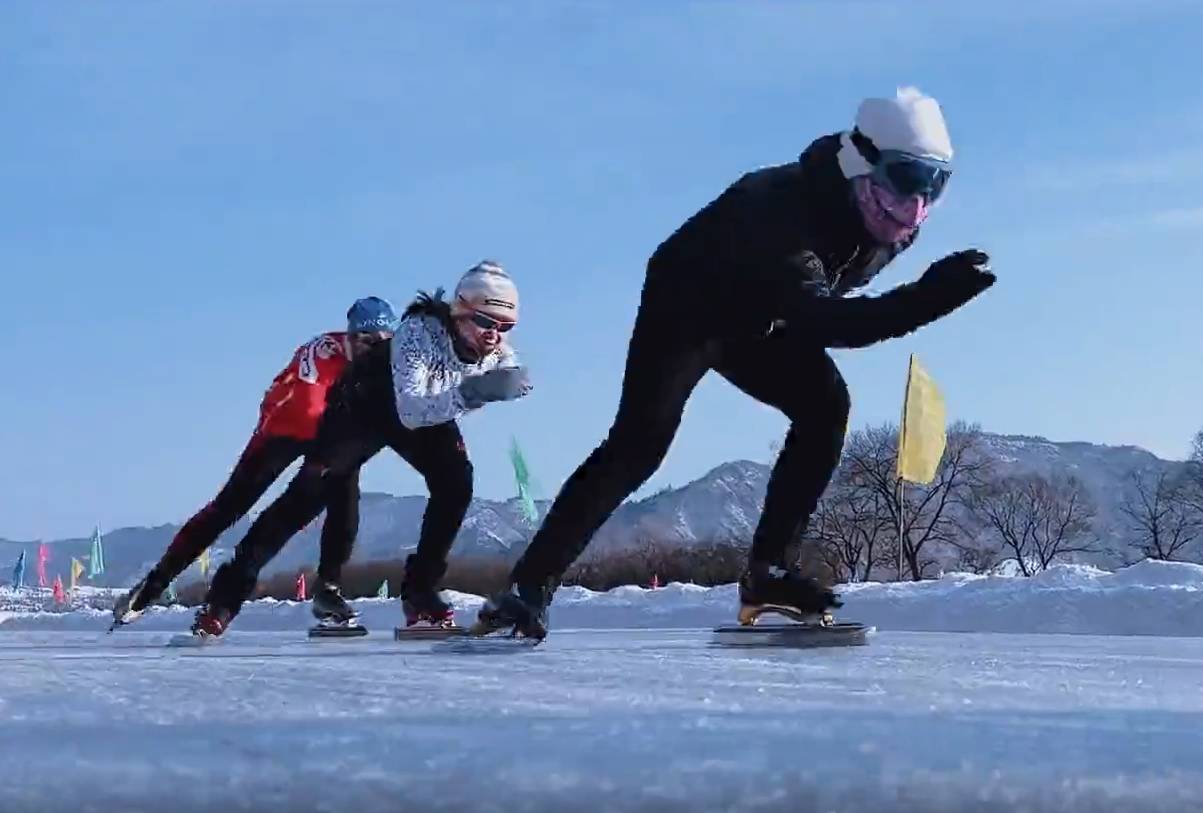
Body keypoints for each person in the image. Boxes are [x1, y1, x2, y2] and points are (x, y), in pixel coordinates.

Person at [475, 87, 996, 641]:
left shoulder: (891, 221)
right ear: (860, 163)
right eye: (905, 178)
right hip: (687, 304)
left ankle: (769, 572)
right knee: (637, 448)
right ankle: (527, 588)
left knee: (825, 408)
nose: (916, 204)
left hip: (766, 314)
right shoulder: (779, 209)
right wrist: (929, 297)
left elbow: (823, 305)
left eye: (934, 184)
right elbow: (836, 325)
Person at [189, 261, 531, 639]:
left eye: (506, 327)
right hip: (363, 406)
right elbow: (413, 410)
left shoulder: (498, 350)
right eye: (485, 322)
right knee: (303, 501)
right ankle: (221, 602)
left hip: (424, 411)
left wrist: (509, 383)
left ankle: (420, 593)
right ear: (459, 311)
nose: (494, 336)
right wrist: (474, 391)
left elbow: (511, 375)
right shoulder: (419, 332)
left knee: (457, 481)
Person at [111, 297, 400, 629]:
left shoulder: (386, 365)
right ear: (349, 337)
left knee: (346, 502)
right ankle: (155, 584)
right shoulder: (322, 350)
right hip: (286, 425)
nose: (372, 348)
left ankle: (328, 590)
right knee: (229, 508)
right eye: (365, 340)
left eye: (382, 342)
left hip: (332, 434)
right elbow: (309, 407)